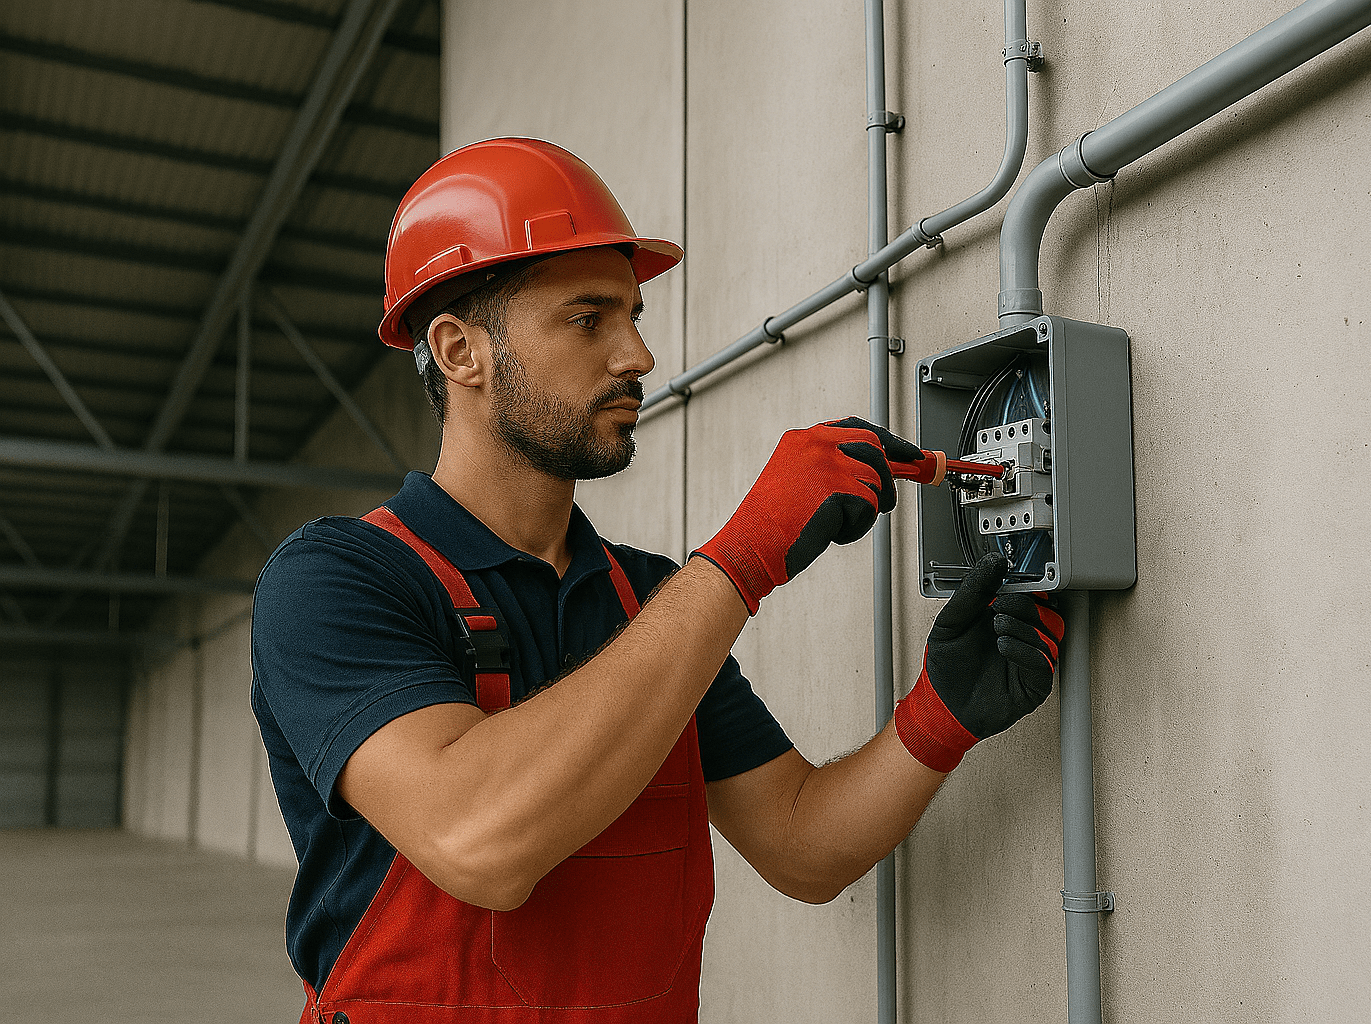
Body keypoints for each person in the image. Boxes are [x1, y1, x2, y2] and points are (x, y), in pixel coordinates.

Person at [251, 138, 1065, 1024]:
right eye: (587, 318)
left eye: (633, 316)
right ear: (458, 351)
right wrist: (742, 560)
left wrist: (938, 718)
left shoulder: (648, 602)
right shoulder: (335, 579)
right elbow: (477, 839)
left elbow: (800, 843)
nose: (636, 354)